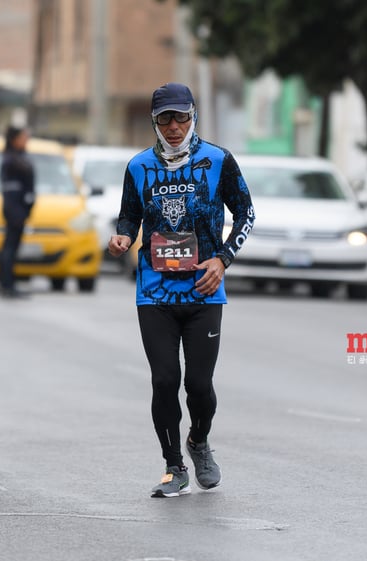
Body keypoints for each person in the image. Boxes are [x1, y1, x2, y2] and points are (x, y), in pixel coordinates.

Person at [108, 82, 255, 498]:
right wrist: (122, 237)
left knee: (200, 386)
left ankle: (199, 442)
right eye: (165, 119)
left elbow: (246, 212)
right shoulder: (138, 167)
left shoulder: (218, 160)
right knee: (164, 380)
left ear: (193, 117)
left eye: (181, 117)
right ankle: (174, 466)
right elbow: (128, 217)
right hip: (155, 292)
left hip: (205, 291)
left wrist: (222, 259)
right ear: (154, 122)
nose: (174, 127)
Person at [0, 125, 35, 298]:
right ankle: (7, 284)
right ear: (14, 139)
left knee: (12, 248)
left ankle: (8, 283)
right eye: (23, 137)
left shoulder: (18, 157)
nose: (26, 140)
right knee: (10, 248)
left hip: (19, 210)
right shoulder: (12, 160)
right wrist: (18, 212)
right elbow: (12, 190)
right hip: (15, 210)